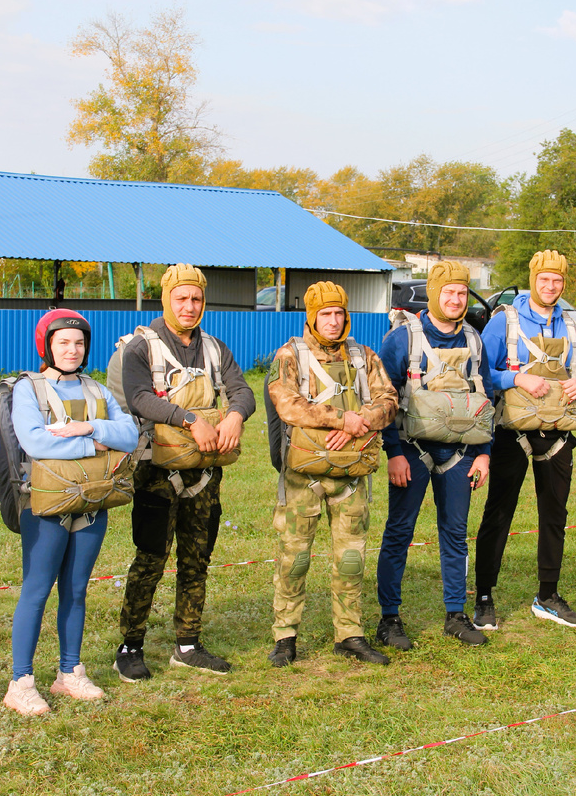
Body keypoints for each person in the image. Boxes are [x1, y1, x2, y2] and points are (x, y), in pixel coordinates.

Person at [114, 264, 255, 680]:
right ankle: (131, 644)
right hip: (156, 472)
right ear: (166, 300)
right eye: (182, 299)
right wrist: (190, 419)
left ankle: (188, 643)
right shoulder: (141, 347)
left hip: (205, 475)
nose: (190, 307)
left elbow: (242, 389)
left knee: (197, 559)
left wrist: (235, 418)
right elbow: (139, 397)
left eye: (196, 299)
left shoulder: (214, 348)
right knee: (151, 558)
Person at [3, 310, 139, 716]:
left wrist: (86, 429)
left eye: (78, 343)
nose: (72, 349)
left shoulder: (97, 390)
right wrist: (97, 445)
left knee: (76, 590)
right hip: (44, 506)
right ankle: (21, 681)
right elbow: (34, 442)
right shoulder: (28, 389)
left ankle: (69, 671)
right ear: (46, 345)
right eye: (63, 342)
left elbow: (130, 434)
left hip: (93, 501)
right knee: (37, 588)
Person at [265, 282, 398, 666]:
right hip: (303, 474)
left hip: (352, 473)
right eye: (325, 314)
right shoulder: (290, 355)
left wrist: (361, 422)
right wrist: (342, 418)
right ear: (311, 317)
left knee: (351, 558)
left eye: (339, 312)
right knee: (294, 557)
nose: (333, 321)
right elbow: (287, 405)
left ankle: (350, 634)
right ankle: (285, 636)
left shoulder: (364, 356)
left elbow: (388, 400)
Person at [474, 249, 576, 631]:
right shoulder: (505, 322)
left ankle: (547, 595)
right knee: (499, 513)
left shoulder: (574, 328)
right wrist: (517, 378)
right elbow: (481, 372)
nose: (551, 286)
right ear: (533, 280)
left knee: (554, 516)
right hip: (511, 432)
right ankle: (484, 596)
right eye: (545, 279)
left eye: (558, 280)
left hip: (558, 436)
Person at [376, 260, 493, 649]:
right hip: (411, 451)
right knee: (399, 533)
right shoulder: (402, 339)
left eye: (463, 293)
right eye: (449, 292)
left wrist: (484, 453)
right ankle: (389, 618)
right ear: (434, 293)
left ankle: (456, 615)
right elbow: (384, 397)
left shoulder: (474, 340)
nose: (457, 299)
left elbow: (486, 397)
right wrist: (392, 451)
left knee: (456, 535)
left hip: (460, 453)